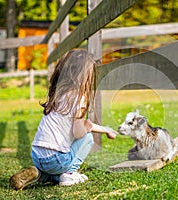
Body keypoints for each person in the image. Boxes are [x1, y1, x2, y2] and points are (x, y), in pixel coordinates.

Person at [10, 49, 118, 190]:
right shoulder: (79, 99)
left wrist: (105, 130)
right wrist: (88, 128)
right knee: (88, 138)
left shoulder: (58, 94)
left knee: (53, 169)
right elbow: (79, 133)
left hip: (37, 155)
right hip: (55, 159)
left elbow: (86, 124)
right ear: (83, 76)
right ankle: (68, 174)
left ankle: (39, 174)